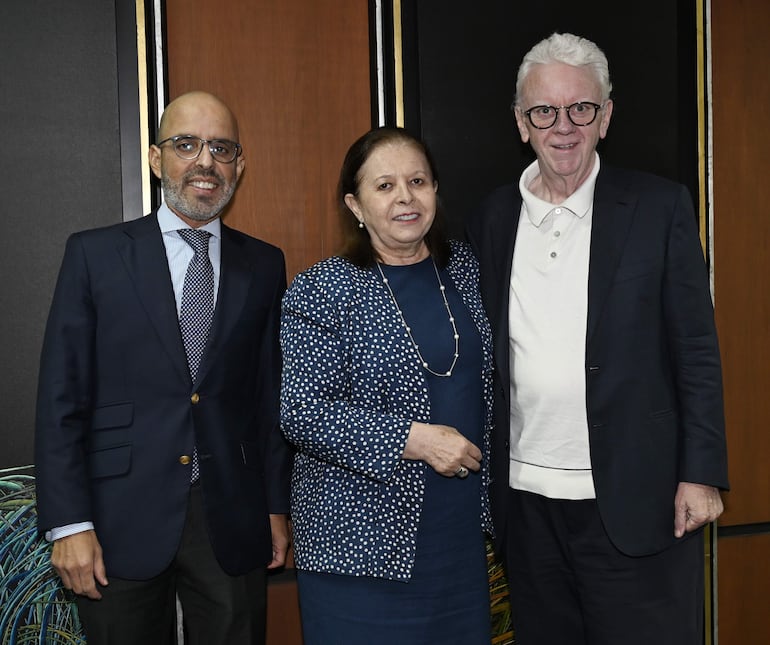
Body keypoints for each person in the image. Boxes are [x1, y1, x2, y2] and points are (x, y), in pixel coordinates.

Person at [466, 32, 729, 645]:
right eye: (544, 112)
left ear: (605, 116)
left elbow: (696, 349)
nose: (563, 126)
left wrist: (702, 472)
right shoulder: (492, 218)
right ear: (521, 123)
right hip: (526, 506)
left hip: (637, 501)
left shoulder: (659, 208)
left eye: (580, 108)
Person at [34, 90, 292, 645]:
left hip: (230, 514)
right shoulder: (94, 255)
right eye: (186, 144)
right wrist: (69, 523)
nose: (206, 162)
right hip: (117, 516)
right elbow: (62, 398)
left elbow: (267, 399)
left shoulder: (265, 264)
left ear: (239, 166)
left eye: (222, 148)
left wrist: (275, 506)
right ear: (157, 159)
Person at [280, 126, 495, 644]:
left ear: (435, 191)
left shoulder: (467, 269)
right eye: (385, 186)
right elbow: (302, 413)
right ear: (355, 204)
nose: (405, 196)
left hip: (458, 540)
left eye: (417, 181)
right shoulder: (322, 288)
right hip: (358, 548)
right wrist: (413, 439)